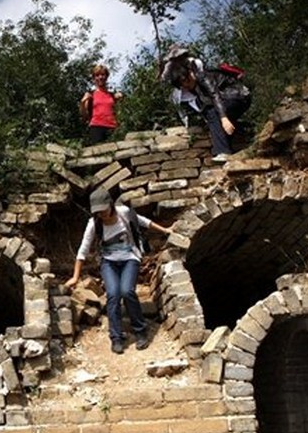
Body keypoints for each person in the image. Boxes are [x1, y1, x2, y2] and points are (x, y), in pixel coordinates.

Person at [64, 187, 174, 354]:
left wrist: (165, 230)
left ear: (110, 204)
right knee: (113, 294)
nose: (101, 214)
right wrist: (75, 277)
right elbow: (83, 250)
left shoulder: (124, 213)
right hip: (108, 262)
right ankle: (116, 337)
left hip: (130, 258)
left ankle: (140, 331)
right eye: (98, 212)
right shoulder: (94, 223)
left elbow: (144, 222)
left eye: (103, 210)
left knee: (127, 291)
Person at [163, 46, 235, 161]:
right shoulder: (170, 69)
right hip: (191, 94)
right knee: (209, 112)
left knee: (213, 111)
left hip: (205, 90)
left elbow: (212, 92)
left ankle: (223, 149)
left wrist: (223, 117)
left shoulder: (195, 63)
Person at [80, 64, 123, 144]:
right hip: (96, 127)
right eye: (97, 75)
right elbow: (84, 116)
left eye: (103, 74)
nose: (100, 77)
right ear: (94, 78)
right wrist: (82, 103)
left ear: (106, 77)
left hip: (113, 127)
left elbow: (119, 113)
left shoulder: (112, 95)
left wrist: (120, 101)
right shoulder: (90, 95)